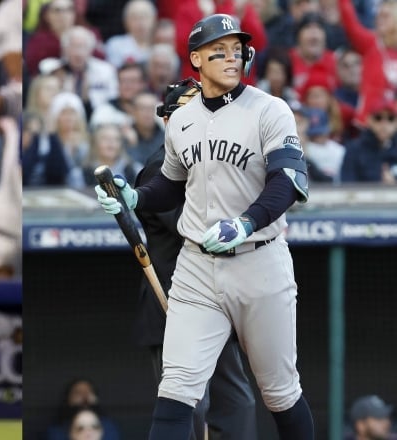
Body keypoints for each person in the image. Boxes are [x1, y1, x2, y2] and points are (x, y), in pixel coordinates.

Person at [95, 14, 314, 439]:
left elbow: (288, 181)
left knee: (279, 394)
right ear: (196, 59)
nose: (232, 58)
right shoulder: (181, 119)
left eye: (238, 50)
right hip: (196, 268)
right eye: (220, 51)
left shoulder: (271, 110)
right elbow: (170, 185)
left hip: (259, 261)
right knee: (175, 394)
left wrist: (245, 222)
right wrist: (136, 197)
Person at [129, 78, 257, 439]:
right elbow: (199, 230)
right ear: (169, 122)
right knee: (188, 405)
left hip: (215, 303)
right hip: (173, 301)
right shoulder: (159, 169)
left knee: (237, 402)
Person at [45, 379, 121, 440]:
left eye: (89, 391)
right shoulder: (56, 431)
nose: (85, 396)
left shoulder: (108, 426)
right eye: (78, 392)